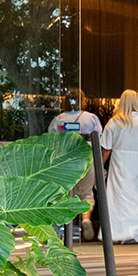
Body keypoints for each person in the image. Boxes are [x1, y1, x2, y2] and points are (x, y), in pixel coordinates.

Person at [99, 90, 138, 245]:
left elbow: (106, 149)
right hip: (137, 164)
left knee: (116, 199)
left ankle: (120, 232)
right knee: (134, 199)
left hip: (118, 162)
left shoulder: (114, 122)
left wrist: (99, 167)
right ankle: (132, 231)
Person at [52, 89, 101, 242]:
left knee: (65, 193)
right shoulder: (91, 118)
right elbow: (99, 140)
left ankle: (62, 226)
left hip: (66, 159)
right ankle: (85, 218)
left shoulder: (59, 119)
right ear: (83, 101)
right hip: (86, 157)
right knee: (86, 192)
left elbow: (52, 141)